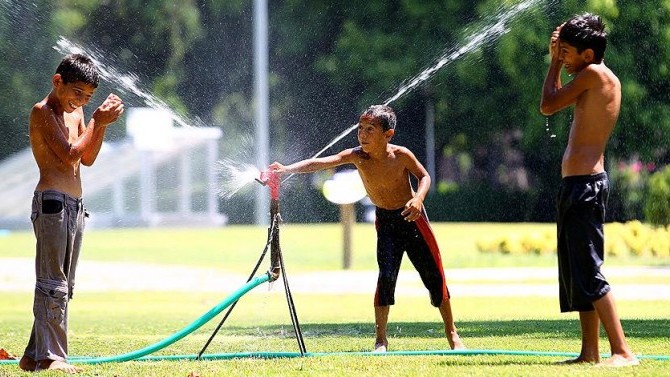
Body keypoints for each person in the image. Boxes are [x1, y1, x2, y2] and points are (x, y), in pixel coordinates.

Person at [269, 105, 464, 352]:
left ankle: (452, 334)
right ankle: (381, 340)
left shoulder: (401, 155)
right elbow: (321, 162)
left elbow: (424, 176)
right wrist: (286, 168)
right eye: (360, 128)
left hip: (412, 218)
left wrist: (418, 199)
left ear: (388, 134)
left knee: (434, 276)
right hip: (386, 222)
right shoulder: (356, 155)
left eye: (370, 130)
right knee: (386, 277)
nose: (362, 134)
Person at [540, 14, 638, 367]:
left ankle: (623, 351)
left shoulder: (595, 75)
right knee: (579, 271)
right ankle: (590, 352)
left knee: (590, 270)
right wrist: (559, 55)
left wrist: (553, 63)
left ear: (588, 53)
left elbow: (547, 104)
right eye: (560, 51)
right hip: (577, 185)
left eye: (567, 52)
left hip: (585, 186)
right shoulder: (591, 76)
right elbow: (557, 96)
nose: (562, 56)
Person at [18, 53, 124, 374]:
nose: (80, 101)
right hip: (51, 202)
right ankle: (53, 356)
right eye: (77, 93)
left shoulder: (77, 113)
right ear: (57, 81)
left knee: (66, 284)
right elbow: (68, 155)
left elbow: (86, 158)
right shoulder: (43, 112)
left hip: (76, 205)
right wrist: (97, 120)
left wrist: (97, 124)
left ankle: (34, 355)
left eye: (88, 98)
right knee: (53, 282)